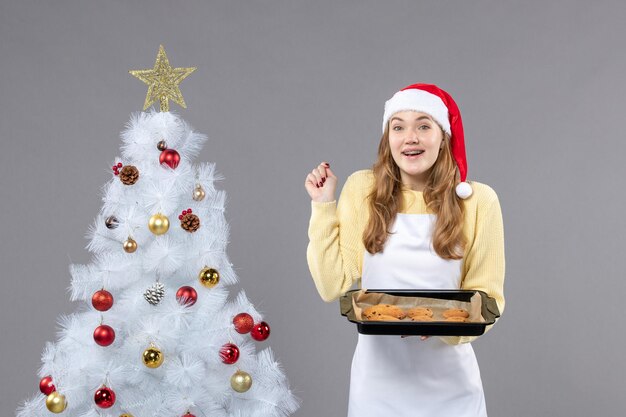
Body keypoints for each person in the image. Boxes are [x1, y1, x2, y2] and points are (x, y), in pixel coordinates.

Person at [304, 83, 505, 417]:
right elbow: (332, 286)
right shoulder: (362, 190)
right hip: (377, 389)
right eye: (398, 127)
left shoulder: (478, 201)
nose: (410, 137)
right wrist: (323, 206)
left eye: (423, 125)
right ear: (388, 139)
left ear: (443, 136)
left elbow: (488, 299)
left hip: (451, 389)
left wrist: (445, 325)